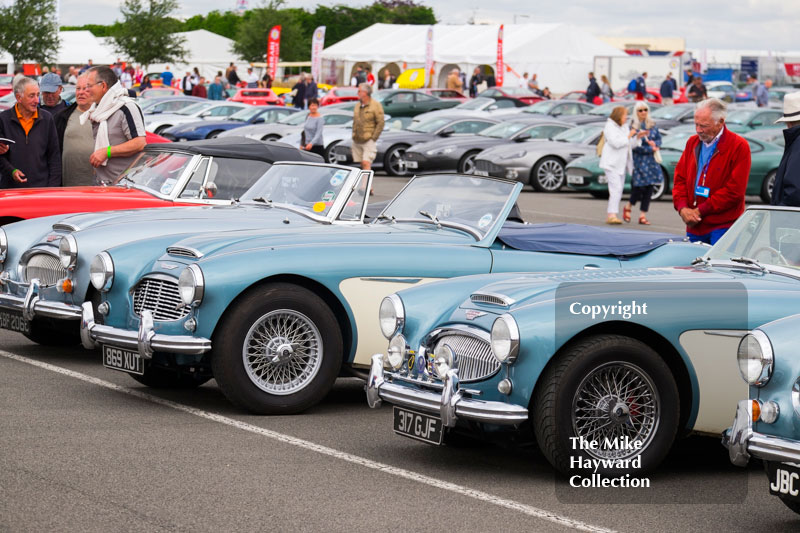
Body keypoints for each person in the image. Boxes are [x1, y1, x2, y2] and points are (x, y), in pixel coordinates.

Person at [672, 98, 750, 244]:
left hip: (723, 226)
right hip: (694, 225)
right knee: (693, 266)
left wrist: (700, 210)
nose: (698, 130)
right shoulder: (692, 143)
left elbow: (735, 191)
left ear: (720, 122)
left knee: (718, 266)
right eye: (696, 124)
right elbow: (680, 179)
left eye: (704, 126)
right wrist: (683, 208)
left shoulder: (739, 146)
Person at [81, 66, 147, 186]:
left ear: (103, 86)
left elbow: (139, 143)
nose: (86, 90)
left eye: (89, 86)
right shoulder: (98, 110)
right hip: (101, 183)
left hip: (125, 186)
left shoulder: (127, 107)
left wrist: (107, 152)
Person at [0, 77, 61, 188]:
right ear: (19, 97)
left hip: (41, 189)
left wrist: (53, 187)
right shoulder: (3, 119)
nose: (37, 101)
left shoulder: (47, 119)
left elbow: (54, 156)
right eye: (32, 96)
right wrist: (11, 171)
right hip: (10, 190)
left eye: (38, 95)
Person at [622, 102, 662, 225]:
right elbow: (632, 146)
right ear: (636, 112)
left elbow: (659, 139)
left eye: (645, 109)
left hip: (651, 161)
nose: (643, 112)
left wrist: (655, 144)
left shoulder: (652, 124)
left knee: (650, 187)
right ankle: (628, 205)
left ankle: (643, 214)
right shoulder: (632, 126)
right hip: (639, 160)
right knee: (639, 187)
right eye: (640, 110)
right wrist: (649, 148)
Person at [54, 74, 96, 186]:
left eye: (85, 89)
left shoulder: (105, 116)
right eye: (78, 88)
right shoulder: (62, 116)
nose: (80, 92)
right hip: (68, 185)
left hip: (98, 186)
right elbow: (53, 152)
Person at [599, 106, 634, 224]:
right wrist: (628, 136)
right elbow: (616, 143)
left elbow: (628, 144)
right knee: (616, 188)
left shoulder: (624, 127)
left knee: (618, 190)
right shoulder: (609, 127)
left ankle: (613, 214)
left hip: (621, 164)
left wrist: (637, 138)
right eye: (625, 116)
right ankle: (611, 214)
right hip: (611, 163)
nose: (626, 118)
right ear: (619, 116)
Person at [352, 82, 384, 192]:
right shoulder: (357, 105)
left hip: (368, 138)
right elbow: (355, 121)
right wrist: (353, 133)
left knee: (366, 162)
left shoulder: (375, 105)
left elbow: (380, 123)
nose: (358, 93)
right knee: (362, 163)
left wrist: (374, 137)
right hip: (357, 138)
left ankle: (364, 187)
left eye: (359, 91)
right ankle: (369, 187)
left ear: (365, 93)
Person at [770, 92, 800, 206]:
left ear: (789, 123)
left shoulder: (798, 143)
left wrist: (780, 213)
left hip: (791, 221)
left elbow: (795, 192)